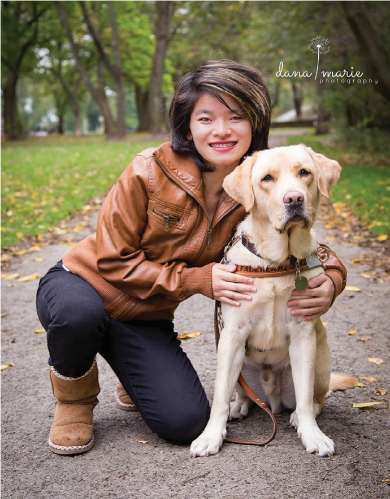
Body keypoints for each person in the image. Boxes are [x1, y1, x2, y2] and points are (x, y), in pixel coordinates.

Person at [36, 59, 347, 455]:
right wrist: (199, 279)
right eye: (206, 118)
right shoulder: (147, 170)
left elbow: (298, 243)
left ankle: (130, 372)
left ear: (254, 124)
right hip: (84, 285)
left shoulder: (255, 184)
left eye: (236, 116)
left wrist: (332, 278)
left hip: (144, 316)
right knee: (79, 315)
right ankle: (73, 400)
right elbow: (112, 261)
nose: (221, 130)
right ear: (187, 126)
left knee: (184, 422)